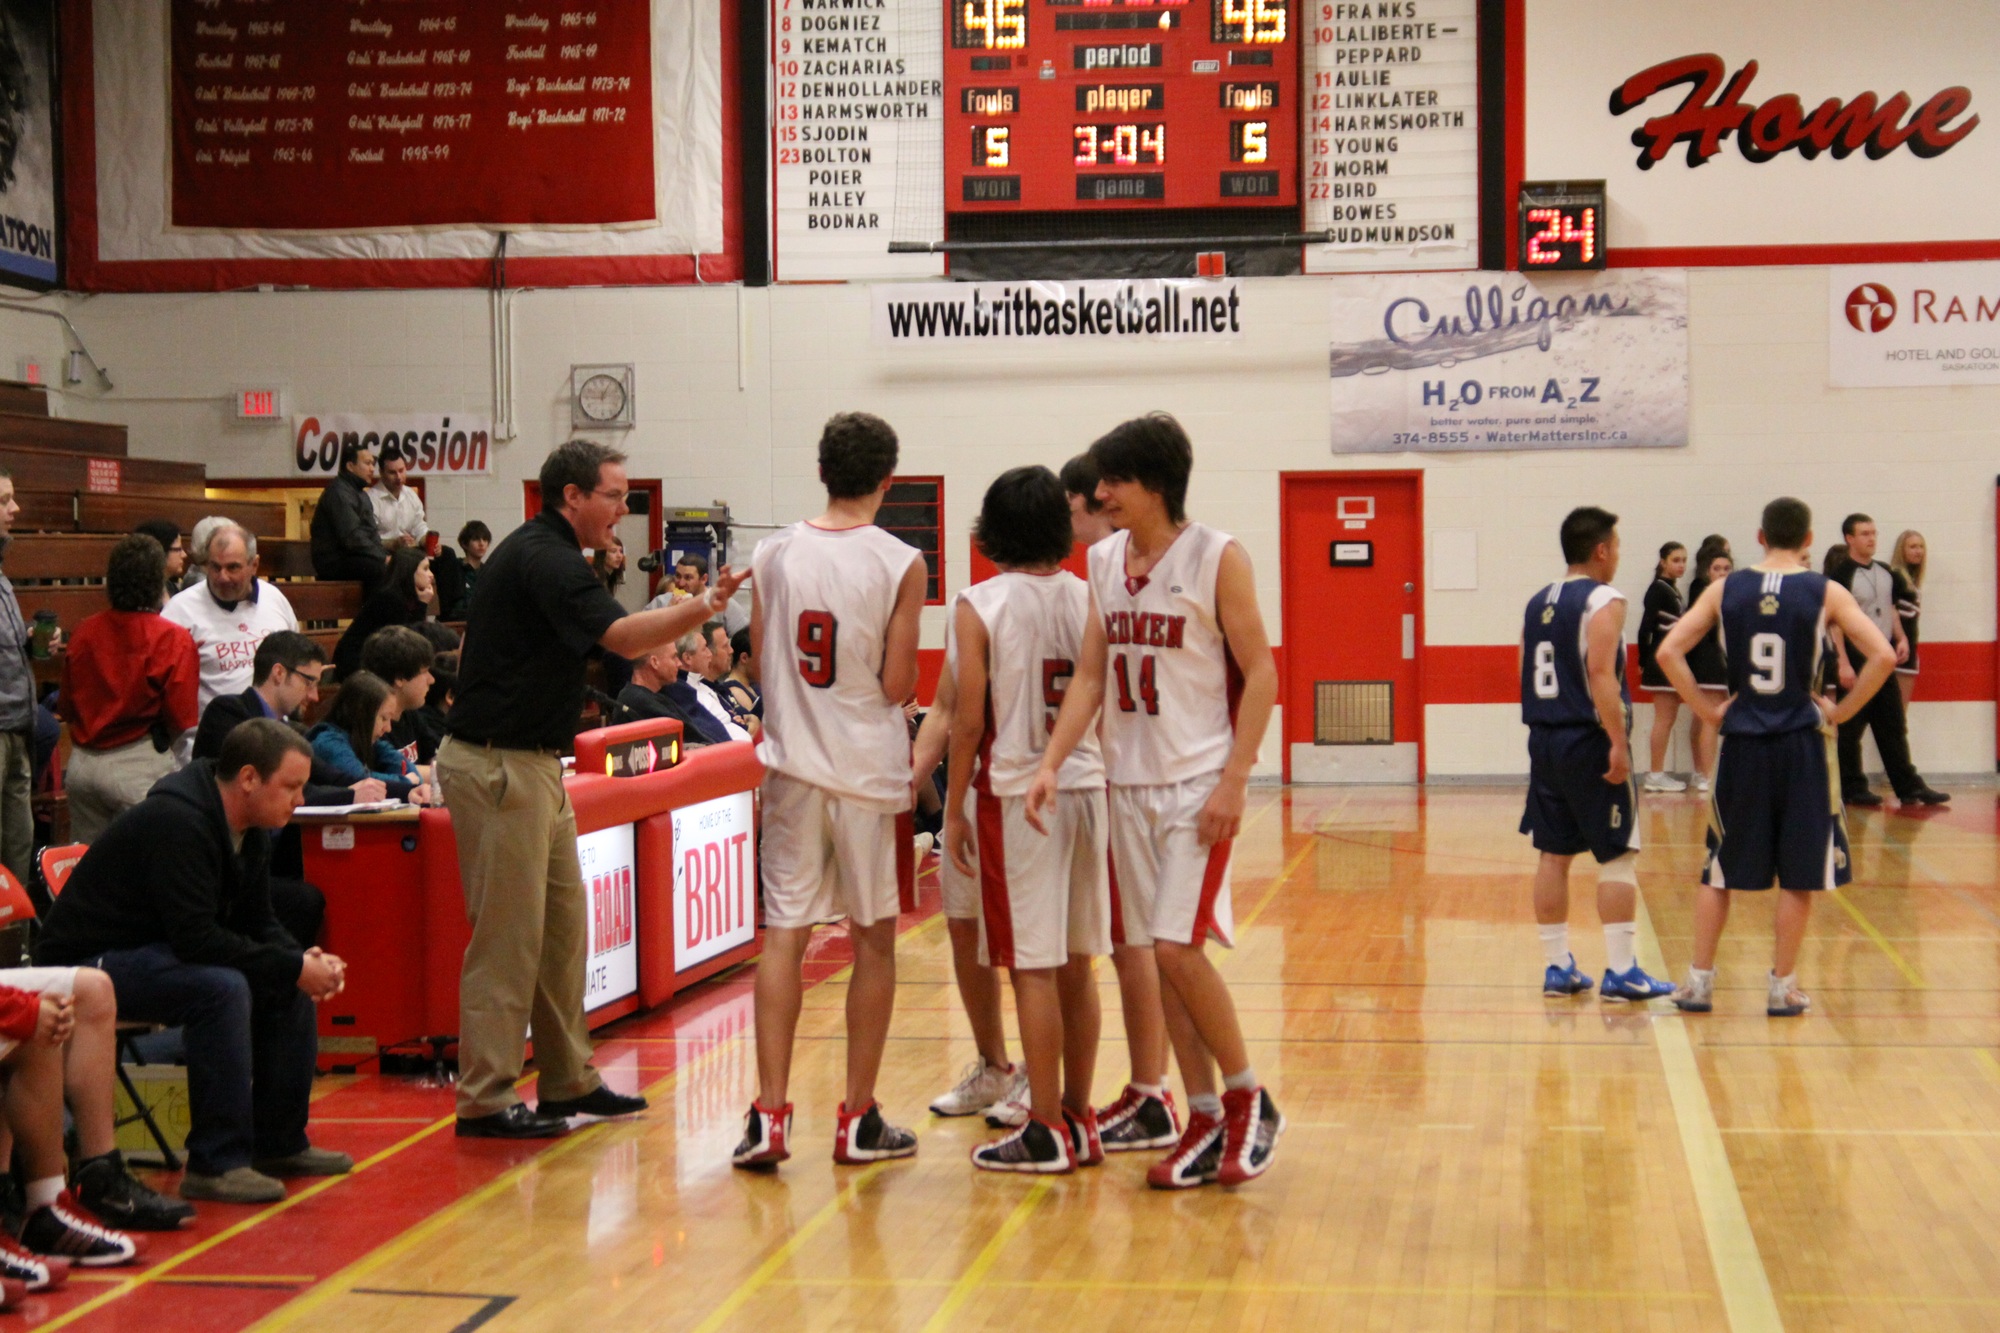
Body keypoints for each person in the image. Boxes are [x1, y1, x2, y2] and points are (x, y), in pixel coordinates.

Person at [440, 439, 742, 1140]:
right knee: (508, 940)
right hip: (498, 764)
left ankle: (566, 1079)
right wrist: (703, 604)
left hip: (532, 765)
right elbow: (625, 638)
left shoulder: (554, 557)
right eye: (613, 495)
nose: (623, 509)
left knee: (560, 933)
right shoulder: (544, 558)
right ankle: (484, 1098)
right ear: (571, 496)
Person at [1027, 414, 1283, 1190]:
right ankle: (1201, 1112)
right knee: (1162, 960)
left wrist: (1236, 777)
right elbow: (1092, 675)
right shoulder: (1105, 559)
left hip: (1196, 783)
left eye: (1115, 480)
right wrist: (1052, 761)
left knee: (1175, 948)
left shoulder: (1217, 556)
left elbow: (1262, 672)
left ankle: (1249, 1097)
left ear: (1157, 485)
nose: (1100, 492)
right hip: (1128, 783)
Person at [36, 719, 354, 1204]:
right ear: (249, 778)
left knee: (281, 980)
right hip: (83, 964)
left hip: (151, 951)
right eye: (291, 786)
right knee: (222, 988)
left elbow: (258, 920)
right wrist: (289, 965)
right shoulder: (178, 822)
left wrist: (296, 960)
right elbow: (197, 941)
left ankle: (279, 1143)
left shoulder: (249, 827)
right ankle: (215, 1163)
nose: (300, 799)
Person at [732, 412, 925, 1170]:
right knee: (872, 939)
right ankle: (856, 1118)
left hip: (791, 771)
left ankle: (770, 1115)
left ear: (821, 471)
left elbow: (758, 658)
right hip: (867, 775)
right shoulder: (901, 561)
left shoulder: (773, 551)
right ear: (887, 479)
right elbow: (899, 683)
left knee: (785, 936)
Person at [1656, 498, 1897, 1017]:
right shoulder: (1825, 590)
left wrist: (1708, 710)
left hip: (1743, 745)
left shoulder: (1725, 588)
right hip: (1802, 747)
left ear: (1760, 537)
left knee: (1719, 870)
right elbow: (1882, 655)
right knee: (1799, 873)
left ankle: (1698, 983)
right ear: (1808, 539)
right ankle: (1781, 987)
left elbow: (1667, 651)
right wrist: (1841, 712)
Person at [945, 467, 1110, 1172]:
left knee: (1031, 968)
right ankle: (1078, 1114)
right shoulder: (1093, 594)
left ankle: (1044, 1127)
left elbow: (967, 720)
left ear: (993, 529)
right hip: (1087, 785)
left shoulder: (979, 604)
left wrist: (953, 805)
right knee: (1077, 964)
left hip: (1018, 794)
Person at [1051, 449, 1178, 1152]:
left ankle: (1153, 1089)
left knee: (1140, 946)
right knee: (1145, 944)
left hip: (1130, 775)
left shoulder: (1130, 570)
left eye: (1075, 503)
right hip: (1128, 770)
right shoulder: (1109, 571)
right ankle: (1152, 1086)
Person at [1518, 507, 1676, 1006]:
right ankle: (1623, 972)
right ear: (1601, 550)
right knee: (1618, 854)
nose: (1618, 557)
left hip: (1544, 738)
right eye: (1617, 547)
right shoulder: (1605, 599)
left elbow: (1521, 667)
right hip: (1588, 738)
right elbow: (1601, 673)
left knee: (1553, 854)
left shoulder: (1537, 602)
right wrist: (1618, 741)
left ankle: (1557, 966)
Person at [911, 588, 1022, 1124]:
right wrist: (909, 782)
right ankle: (994, 1066)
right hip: (979, 790)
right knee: (963, 926)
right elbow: (945, 710)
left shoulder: (1077, 601)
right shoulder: (972, 607)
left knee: (1037, 949)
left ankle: (1045, 1082)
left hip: (1042, 792)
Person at [59, 535, 200, 841]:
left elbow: (66, 706)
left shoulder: (84, 631)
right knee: (145, 862)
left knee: (87, 863)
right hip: (137, 765)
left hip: (83, 765)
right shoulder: (171, 638)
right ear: (157, 582)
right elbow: (182, 717)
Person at [1828, 513, 1948, 808]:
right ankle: (1852, 786)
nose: (1871, 538)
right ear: (1850, 538)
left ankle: (1908, 786)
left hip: (1882, 659)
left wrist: (1901, 638)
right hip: (1856, 659)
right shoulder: (1840, 575)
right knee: (1851, 726)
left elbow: (1891, 609)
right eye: (1864, 533)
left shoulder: (1885, 572)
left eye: (1874, 533)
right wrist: (1842, 662)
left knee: (1893, 724)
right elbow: (1835, 623)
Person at [163, 519, 300, 714]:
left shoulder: (274, 599)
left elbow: (296, 657)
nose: (223, 577)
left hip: (273, 728)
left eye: (232, 567)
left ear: (254, 565)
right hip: (211, 729)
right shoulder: (179, 611)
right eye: (215, 567)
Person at [0, 470, 39, 885]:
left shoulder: (1, 575)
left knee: (17, 846)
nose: (15, 508)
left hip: (15, 727)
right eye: (3, 500)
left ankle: (16, 927)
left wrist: (27, 636)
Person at [307, 672, 427, 803]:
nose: (388, 728)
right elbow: (362, 780)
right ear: (361, 714)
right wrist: (405, 782)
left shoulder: (369, 741)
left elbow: (407, 769)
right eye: (384, 718)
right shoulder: (327, 742)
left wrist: (406, 782)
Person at [332, 548, 437, 680]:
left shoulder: (403, 595)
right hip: (357, 664)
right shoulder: (390, 598)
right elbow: (408, 640)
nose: (431, 574)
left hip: (378, 660)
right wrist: (422, 605)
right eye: (425, 569)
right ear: (409, 571)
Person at [1637, 541, 1687, 794]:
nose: (1681, 565)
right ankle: (1655, 774)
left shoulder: (1671, 589)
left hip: (1669, 660)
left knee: (1668, 718)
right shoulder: (1658, 589)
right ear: (1663, 562)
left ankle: (1657, 773)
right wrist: (1643, 660)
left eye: (1684, 560)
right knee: (1664, 719)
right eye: (1676, 560)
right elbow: (1645, 629)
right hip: (1661, 662)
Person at [614, 641, 731, 745]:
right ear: (654, 662)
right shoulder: (639, 702)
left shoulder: (657, 696)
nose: (679, 664)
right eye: (674, 657)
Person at [310, 443, 390, 594]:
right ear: (350, 466)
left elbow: (372, 532)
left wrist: (385, 555)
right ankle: (371, 610)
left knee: (401, 564)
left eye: (373, 464)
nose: (372, 469)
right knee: (378, 568)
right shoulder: (338, 493)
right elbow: (352, 537)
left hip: (354, 556)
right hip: (334, 561)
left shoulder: (361, 494)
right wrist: (381, 557)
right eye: (367, 463)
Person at [1684, 549, 1732, 795]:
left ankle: (1700, 772)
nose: (1722, 573)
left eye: (1726, 568)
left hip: (1713, 661)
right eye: (1717, 568)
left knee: (1702, 718)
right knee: (1710, 719)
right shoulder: (1708, 597)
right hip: (1710, 661)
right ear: (1707, 571)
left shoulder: (1727, 594)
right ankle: (1707, 775)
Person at [358, 624, 437, 766]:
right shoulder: (371, 725)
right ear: (400, 678)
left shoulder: (410, 713)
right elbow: (390, 772)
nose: (431, 680)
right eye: (424, 672)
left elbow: (433, 758)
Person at [648, 552, 749, 636]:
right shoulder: (661, 602)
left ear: (704, 579)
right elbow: (644, 637)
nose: (681, 583)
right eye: (678, 576)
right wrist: (668, 615)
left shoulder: (722, 603)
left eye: (688, 578)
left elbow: (744, 639)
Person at [677, 629, 749, 742]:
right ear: (687, 658)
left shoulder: (704, 686)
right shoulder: (683, 693)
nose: (710, 654)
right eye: (704, 649)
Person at [1889, 529, 1927, 705]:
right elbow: (1891, 610)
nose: (1918, 551)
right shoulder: (1896, 576)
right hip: (1899, 651)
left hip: (1908, 651)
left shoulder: (1911, 579)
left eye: (1921, 546)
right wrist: (1901, 639)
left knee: (1899, 711)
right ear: (1901, 550)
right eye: (1912, 547)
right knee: (1897, 711)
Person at [366, 453, 426, 550]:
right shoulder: (371, 499)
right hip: (383, 550)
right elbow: (368, 537)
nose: (398, 477)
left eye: (401, 471)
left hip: (409, 549)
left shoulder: (411, 494)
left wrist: (426, 540)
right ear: (381, 473)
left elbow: (419, 526)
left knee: (447, 553)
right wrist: (394, 544)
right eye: (392, 473)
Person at [716, 627, 761, 738]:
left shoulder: (754, 684)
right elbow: (755, 729)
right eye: (761, 657)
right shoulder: (735, 690)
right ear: (744, 658)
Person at [135, 519, 194, 595]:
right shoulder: (140, 594)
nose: (184, 555)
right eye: (179, 549)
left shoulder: (170, 587)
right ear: (160, 551)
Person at [452, 521, 492, 619]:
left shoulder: (488, 571)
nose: (481, 543)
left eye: (485, 539)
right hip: (459, 620)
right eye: (476, 539)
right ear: (464, 544)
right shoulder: (455, 567)